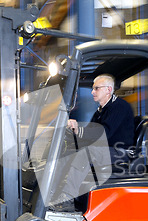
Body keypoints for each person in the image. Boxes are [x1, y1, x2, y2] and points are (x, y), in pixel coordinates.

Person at [50, 74, 134, 211]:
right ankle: (54, 193)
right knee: (69, 151)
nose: (92, 92)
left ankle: (68, 197)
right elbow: (89, 133)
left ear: (108, 89)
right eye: (92, 88)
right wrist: (73, 134)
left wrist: (80, 131)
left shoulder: (119, 107)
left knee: (86, 153)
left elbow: (104, 134)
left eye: (96, 88)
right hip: (106, 150)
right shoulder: (100, 110)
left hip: (120, 151)